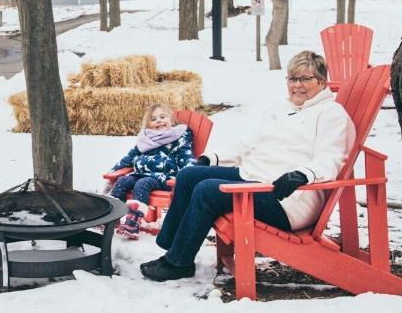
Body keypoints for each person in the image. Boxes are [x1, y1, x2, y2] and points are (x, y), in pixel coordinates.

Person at [141, 50, 355, 283]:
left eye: (305, 79)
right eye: (293, 79)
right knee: (190, 175)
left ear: (321, 82)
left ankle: (177, 263)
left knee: (207, 191)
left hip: (288, 198)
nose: (297, 85)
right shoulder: (283, 109)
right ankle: (171, 247)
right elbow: (250, 144)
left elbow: (332, 158)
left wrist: (303, 174)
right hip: (255, 178)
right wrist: (212, 159)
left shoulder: (332, 114)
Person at [107, 102, 196, 238]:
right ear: (148, 124)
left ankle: (133, 222)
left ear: (171, 120)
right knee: (123, 181)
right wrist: (113, 172)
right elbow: (129, 157)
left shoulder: (179, 138)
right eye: (153, 119)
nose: (158, 121)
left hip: (164, 178)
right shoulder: (146, 140)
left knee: (142, 184)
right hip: (140, 174)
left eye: (162, 117)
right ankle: (111, 217)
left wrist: (188, 176)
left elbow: (186, 157)